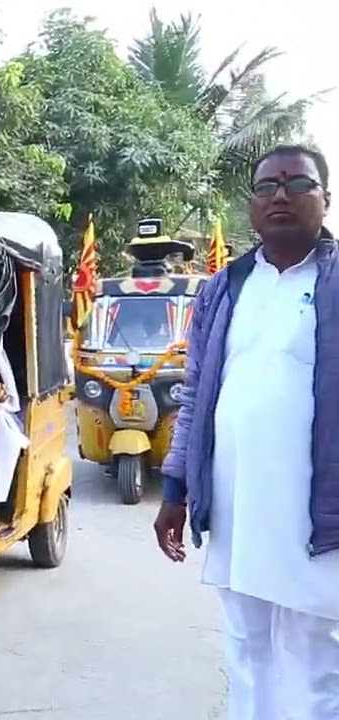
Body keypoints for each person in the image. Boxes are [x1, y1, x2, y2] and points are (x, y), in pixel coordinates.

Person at [155, 145, 339, 719]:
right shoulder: (222, 288)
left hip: (319, 510)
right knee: (245, 647)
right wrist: (174, 490)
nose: (279, 195)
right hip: (236, 503)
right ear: (252, 205)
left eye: (296, 183)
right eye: (266, 186)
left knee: (316, 658)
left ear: (325, 199)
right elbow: (195, 400)